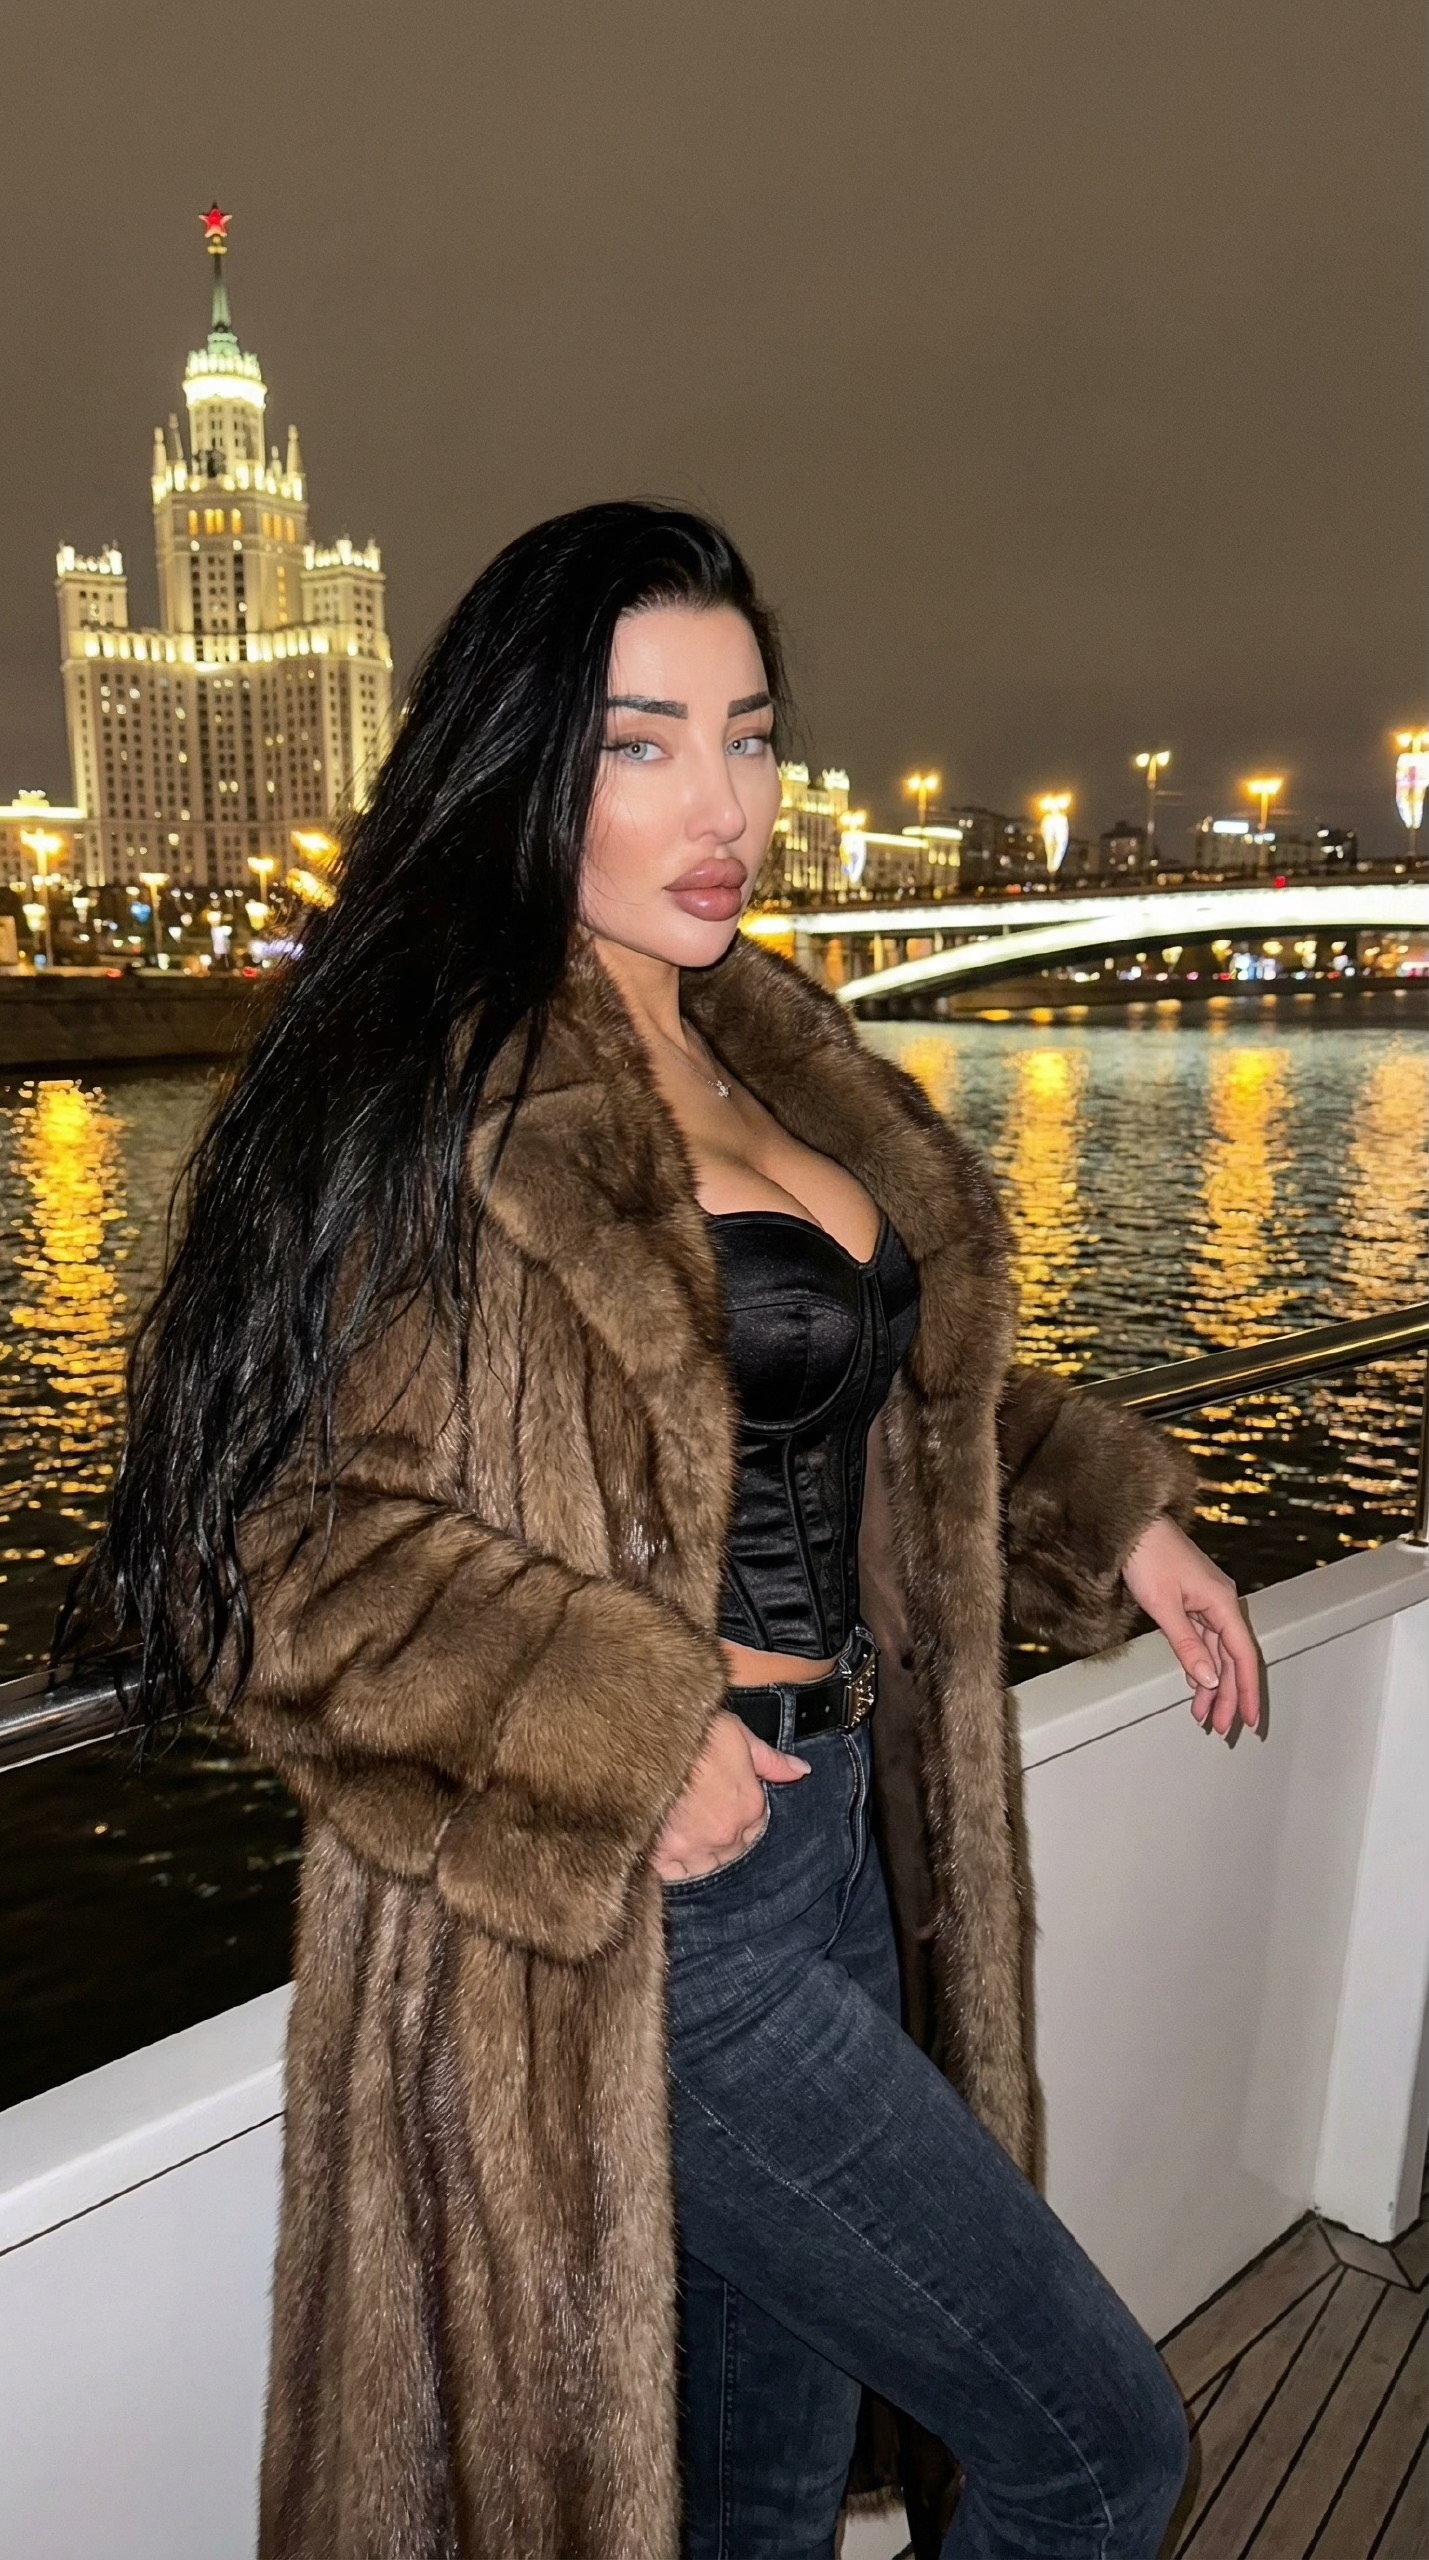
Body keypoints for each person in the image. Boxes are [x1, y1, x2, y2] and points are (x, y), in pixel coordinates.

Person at [67, 501, 1260, 2560]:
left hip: (845, 1835)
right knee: (1094, 2446)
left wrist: (1113, 1516)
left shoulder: (769, 1050)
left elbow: (882, 1394)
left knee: (758, 2501)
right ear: (525, 761)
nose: (726, 805)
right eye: (643, 743)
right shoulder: (441, 1098)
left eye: (751, 734)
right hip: (640, 1907)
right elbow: (270, 1551)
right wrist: (617, 1726)